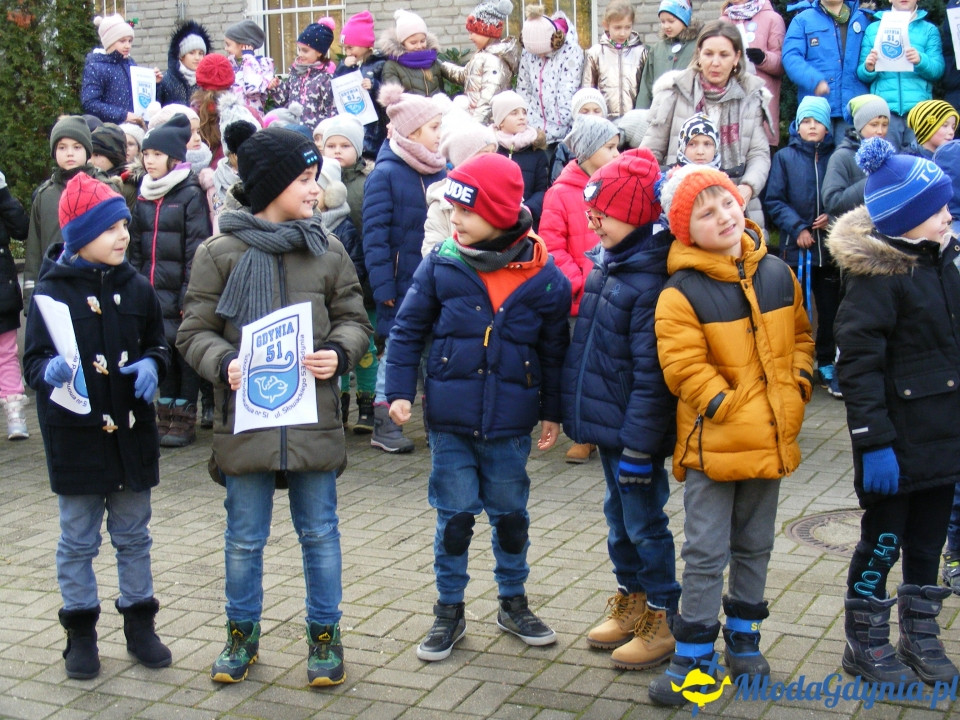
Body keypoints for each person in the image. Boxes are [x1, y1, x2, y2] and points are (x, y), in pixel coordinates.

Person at [176, 126, 372, 686]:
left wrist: (339, 352)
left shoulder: (326, 248)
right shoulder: (219, 253)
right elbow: (194, 331)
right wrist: (224, 364)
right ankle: (241, 638)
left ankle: (326, 640)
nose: (316, 191)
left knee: (320, 533)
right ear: (272, 185)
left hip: (313, 420)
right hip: (246, 421)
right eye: (306, 180)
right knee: (243, 538)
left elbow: (354, 320)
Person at [384, 152, 571, 661]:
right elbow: (406, 332)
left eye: (465, 211)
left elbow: (555, 351)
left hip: (511, 426)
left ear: (501, 213)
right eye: (451, 210)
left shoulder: (545, 277)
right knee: (456, 517)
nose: (455, 220)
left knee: (511, 516)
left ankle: (513, 602)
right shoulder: (442, 263)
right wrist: (396, 389)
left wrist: (553, 410)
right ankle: (449, 610)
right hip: (449, 422)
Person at [651, 165, 813, 705]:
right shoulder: (680, 291)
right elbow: (682, 365)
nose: (723, 217)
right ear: (684, 230)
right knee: (704, 550)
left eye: (726, 204)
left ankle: (745, 639)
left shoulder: (775, 273)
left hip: (770, 438)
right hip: (712, 445)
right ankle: (694, 657)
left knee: (755, 544)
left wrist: (800, 387)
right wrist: (723, 402)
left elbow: (804, 337)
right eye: (705, 212)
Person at [23, 173, 172, 680]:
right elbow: (33, 361)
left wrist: (154, 364)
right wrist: (49, 372)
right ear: (80, 235)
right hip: (77, 442)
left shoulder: (137, 287)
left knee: (134, 536)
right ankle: (80, 634)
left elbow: (158, 341)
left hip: (132, 438)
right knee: (77, 542)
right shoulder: (49, 292)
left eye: (125, 226)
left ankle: (140, 625)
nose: (123, 236)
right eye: (110, 229)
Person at [826, 136, 960, 686]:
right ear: (908, 220)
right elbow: (856, 367)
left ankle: (920, 635)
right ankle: (865, 640)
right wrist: (872, 441)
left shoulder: (946, 265)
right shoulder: (877, 281)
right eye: (940, 210)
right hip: (894, 446)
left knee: (928, 544)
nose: (950, 215)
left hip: (943, 440)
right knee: (883, 543)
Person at [561, 149, 680, 670]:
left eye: (600, 216)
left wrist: (638, 446)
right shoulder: (612, 265)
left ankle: (662, 614)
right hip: (611, 429)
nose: (593, 225)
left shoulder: (647, 281)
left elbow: (652, 379)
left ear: (635, 217)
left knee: (645, 523)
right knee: (619, 519)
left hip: (635, 437)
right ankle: (630, 599)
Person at [362, 86, 447, 453]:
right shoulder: (385, 175)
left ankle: (436, 423)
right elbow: (375, 238)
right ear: (412, 133)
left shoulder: (440, 170)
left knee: (435, 353)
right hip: (398, 286)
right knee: (396, 352)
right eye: (433, 127)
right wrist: (384, 290)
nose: (439, 134)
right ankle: (384, 422)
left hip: (436, 282)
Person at [540, 114, 621, 465]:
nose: (618, 154)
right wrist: (582, 282)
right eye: (610, 147)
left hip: (615, 293)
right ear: (587, 152)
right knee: (581, 366)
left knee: (610, 364)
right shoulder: (559, 194)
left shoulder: (617, 187)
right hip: (580, 299)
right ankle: (584, 435)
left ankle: (611, 429)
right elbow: (552, 247)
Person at [127, 114, 212, 448]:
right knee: (160, 351)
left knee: (183, 354)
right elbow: (135, 246)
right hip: (150, 292)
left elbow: (196, 250)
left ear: (173, 158)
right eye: (146, 154)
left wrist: (188, 294)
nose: (149, 161)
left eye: (156, 155)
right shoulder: (144, 195)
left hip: (180, 291)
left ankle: (184, 416)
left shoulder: (189, 193)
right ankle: (165, 414)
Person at [641, 20, 772, 229]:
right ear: (699, 54)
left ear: (737, 57)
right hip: (680, 203)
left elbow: (759, 154)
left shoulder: (751, 97)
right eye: (709, 54)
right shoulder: (673, 92)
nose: (715, 62)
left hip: (735, 204)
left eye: (724, 55)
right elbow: (648, 154)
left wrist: (747, 188)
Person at [763, 96, 840, 399]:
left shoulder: (836, 156)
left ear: (826, 127)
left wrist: (832, 217)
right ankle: (793, 363)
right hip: (795, 251)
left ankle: (826, 361)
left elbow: (843, 196)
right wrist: (798, 228)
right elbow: (774, 200)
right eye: (806, 121)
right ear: (797, 125)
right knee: (794, 309)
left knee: (830, 309)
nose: (811, 126)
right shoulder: (785, 157)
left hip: (829, 250)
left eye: (817, 121)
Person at [24, 117, 106, 310]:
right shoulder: (45, 195)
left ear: (87, 150)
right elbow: (34, 251)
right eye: (62, 147)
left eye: (77, 147)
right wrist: (31, 299)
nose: (69, 153)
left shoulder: (104, 188)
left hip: (95, 288)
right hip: (54, 290)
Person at [857, 0, 944, 150]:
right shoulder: (873, 29)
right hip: (884, 113)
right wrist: (869, 67)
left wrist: (920, 60)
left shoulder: (929, 30)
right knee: (886, 166)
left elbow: (938, 70)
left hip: (919, 111)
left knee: (919, 165)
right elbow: (862, 74)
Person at [781, 0, 869, 138]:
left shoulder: (863, 19)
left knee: (848, 158)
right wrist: (814, 81)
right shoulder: (802, 19)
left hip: (854, 109)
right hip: (816, 111)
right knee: (815, 158)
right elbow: (791, 58)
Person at [516, 5, 584, 148]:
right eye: (535, 54)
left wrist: (562, 120)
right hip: (534, 130)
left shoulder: (571, 52)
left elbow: (568, 89)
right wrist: (528, 120)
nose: (540, 57)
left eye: (543, 53)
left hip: (564, 132)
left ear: (555, 42)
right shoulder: (528, 53)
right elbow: (524, 87)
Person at [442, 0, 520, 124]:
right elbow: (465, 75)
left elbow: (487, 101)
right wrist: (442, 66)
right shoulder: (482, 55)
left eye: (473, 32)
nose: (470, 37)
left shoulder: (494, 61)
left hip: (485, 126)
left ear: (486, 31)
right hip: (474, 120)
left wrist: (475, 128)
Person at [719, 0, 785, 146]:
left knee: (761, 156)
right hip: (730, 100)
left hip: (761, 102)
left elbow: (782, 63)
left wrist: (763, 58)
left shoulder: (772, 18)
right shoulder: (723, 21)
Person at [822, 95, 890, 222]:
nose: (880, 131)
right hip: (852, 234)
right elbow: (832, 202)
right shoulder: (841, 156)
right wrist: (872, 182)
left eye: (885, 125)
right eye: (874, 125)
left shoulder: (890, 157)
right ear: (860, 125)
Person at [81, 14, 160, 124]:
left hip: (135, 127)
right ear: (109, 42)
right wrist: (123, 115)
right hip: (110, 131)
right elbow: (90, 103)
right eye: (122, 41)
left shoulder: (130, 63)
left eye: (129, 41)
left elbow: (141, 97)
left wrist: (154, 83)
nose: (128, 46)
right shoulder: (96, 67)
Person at [490, 91, 550, 229]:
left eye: (524, 112)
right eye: (514, 113)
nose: (522, 117)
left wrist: (528, 210)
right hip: (495, 221)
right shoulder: (490, 149)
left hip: (528, 224)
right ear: (500, 121)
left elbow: (542, 190)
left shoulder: (536, 151)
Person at [334, 11, 389, 158]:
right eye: (345, 49)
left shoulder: (380, 64)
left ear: (364, 44)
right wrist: (343, 68)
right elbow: (336, 87)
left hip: (375, 126)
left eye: (351, 47)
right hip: (353, 122)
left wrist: (374, 85)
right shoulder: (348, 65)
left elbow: (388, 91)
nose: (347, 52)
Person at [0, 170, 29, 440]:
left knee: (6, 353)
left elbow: (21, 229)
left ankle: (14, 412)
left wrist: (3, 192)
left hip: (1, 287)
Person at [581, 0, 646, 118]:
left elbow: (645, 89)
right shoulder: (595, 53)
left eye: (627, 27)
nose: (622, 33)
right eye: (617, 27)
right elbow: (588, 90)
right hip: (604, 120)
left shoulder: (641, 52)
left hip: (634, 119)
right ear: (606, 25)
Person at [635, 0, 701, 110]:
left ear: (684, 19)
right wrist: (641, 113)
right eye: (663, 21)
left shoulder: (698, 47)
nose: (666, 26)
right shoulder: (657, 49)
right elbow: (646, 86)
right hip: (659, 110)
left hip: (687, 110)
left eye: (671, 21)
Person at [269, 22, 336, 129]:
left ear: (319, 52)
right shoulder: (295, 73)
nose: (300, 54)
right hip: (293, 130)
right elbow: (284, 101)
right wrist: (276, 88)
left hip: (316, 134)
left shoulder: (326, 77)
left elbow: (332, 109)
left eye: (305, 51)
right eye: (299, 49)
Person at [379, 9, 454, 97]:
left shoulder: (432, 60)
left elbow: (441, 90)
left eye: (422, 41)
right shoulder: (392, 65)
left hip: (437, 109)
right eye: (413, 43)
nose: (419, 46)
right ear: (402, 43)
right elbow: (394, 99)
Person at [224, 18, 275, 114]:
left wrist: (248, 58)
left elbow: (252, 89)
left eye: (228, 44)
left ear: (242, 45)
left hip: (252, 119)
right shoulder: (231, 65)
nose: (225, 48)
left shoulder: (261, 64)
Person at [157, 20, 211, 107]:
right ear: (181, 56)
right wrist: (156, 84)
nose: (197, 58)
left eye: (201, 53)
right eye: (192, 53)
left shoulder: (208, 82)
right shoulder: (166, 81)